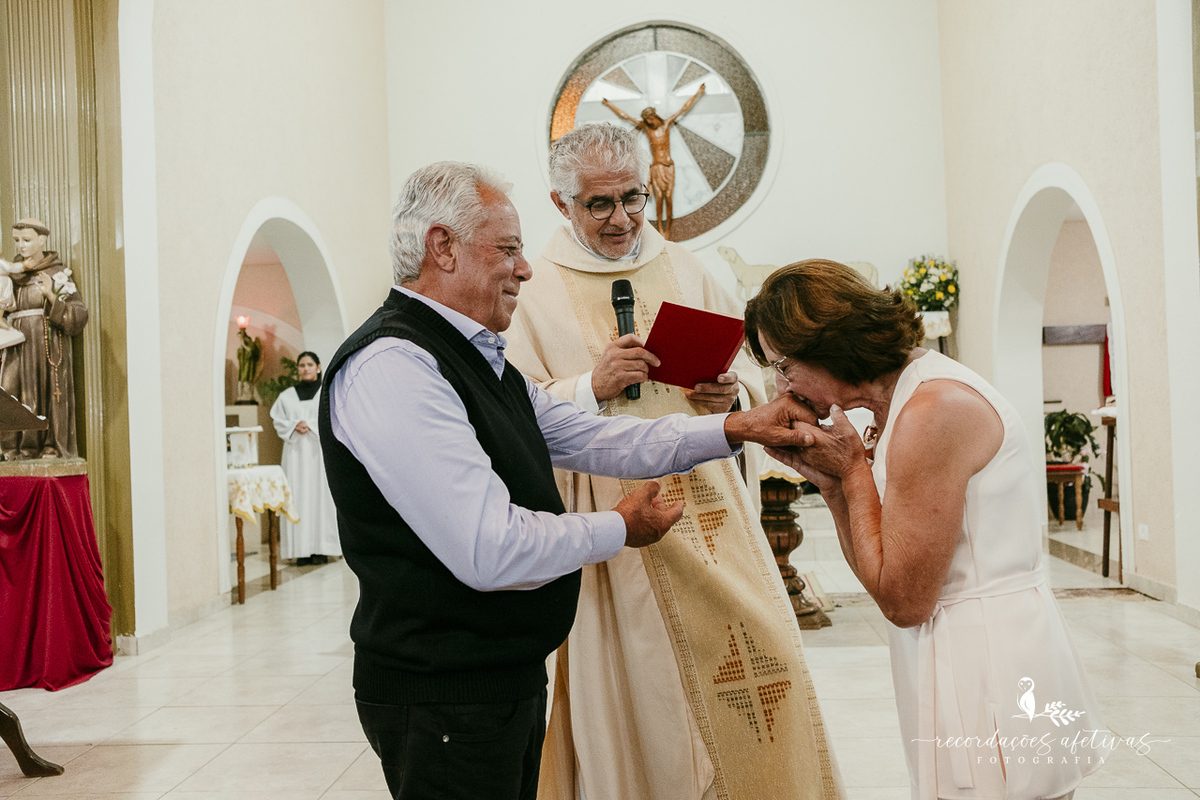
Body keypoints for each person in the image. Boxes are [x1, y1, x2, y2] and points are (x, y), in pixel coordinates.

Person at [317, 160, 818, 800]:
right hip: (442, 691)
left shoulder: (474, 357)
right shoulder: (396, 365)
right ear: (442, 247)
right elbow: (489, 548)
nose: (525, 268)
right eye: (508, 249)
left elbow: (595, 438)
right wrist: (619, 528)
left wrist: (736, 426)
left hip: (499, 675)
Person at [504, 124, 843, 800]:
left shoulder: (686, 268)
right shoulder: (534, 293)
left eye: (632, 197)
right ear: (560, 203)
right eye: (599, 204)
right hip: (612, 518)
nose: (622, 218)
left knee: (764, 651)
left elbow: (751, 371)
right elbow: (512, 411)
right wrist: (590, 386)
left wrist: (730, 394)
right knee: (650, 685)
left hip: (711, 509)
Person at [745, 260, 1109, 800]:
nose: (781, 386)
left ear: (829, 345)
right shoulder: (901, 400)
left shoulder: (933, 410)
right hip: (954, 641)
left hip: (987, 657)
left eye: (783, 365)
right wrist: (834, 483)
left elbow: (903, 601)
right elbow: (883, 576)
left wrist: (852, 471)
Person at [0, 219, 88, 460]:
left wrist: (50, 295)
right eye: (17, 240)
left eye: (27, 240)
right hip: (15, 344)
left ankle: (48, 444)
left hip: (45, 342)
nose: (21, 245)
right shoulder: (11, 274)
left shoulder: (56, 273)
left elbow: (79, 315)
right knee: (11, 389)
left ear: (41, 240)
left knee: (44, 390)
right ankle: (13, 448)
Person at [602, 83, 704, 240]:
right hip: (656, 167)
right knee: (659, 199)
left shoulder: (666, 124)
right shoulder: (646, 128)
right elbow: (625, 116)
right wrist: (609, 105)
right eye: (646, 119)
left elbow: (684, 108)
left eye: (650, 118)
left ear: (655, 116)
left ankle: (668, 229)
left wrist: (698, 93)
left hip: (669, 166)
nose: (649, 121)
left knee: (669, 198)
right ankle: (660, 229)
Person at [270, 350, 340, 566]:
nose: (305, 368)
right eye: (302, 365)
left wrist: (312, 425)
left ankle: (322, 548)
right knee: (298, 495)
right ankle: (301, 550)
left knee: (320, 496)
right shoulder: (286, 396)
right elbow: (277, 420)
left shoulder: (326, 393)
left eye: (310, 364)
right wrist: (293, 425)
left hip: (319, 453)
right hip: (296, 455)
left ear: (318, 367)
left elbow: (335, 417)